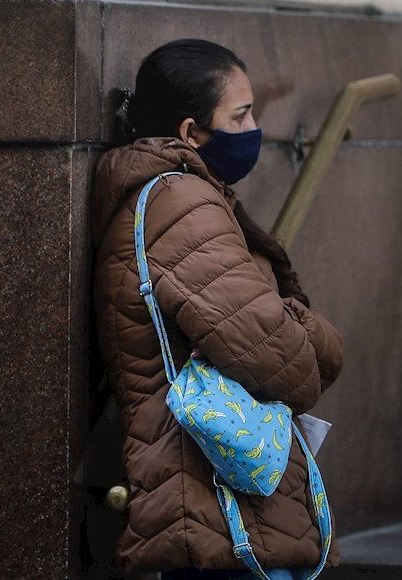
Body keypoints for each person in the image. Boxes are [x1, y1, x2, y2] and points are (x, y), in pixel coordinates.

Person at [90, 39, 345, 579]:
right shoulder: (181, 202)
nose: (254, 127)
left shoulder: (179, 195)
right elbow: (280, 357)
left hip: (209, 485)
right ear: (190, 132)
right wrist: (315, 334)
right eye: (242, 114)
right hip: (207, 490)